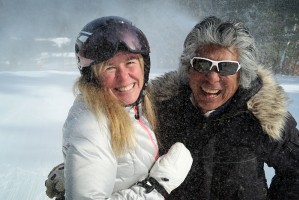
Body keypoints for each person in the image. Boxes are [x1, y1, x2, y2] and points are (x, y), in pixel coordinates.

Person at [151, 16, 299, 199]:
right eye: (202, 64)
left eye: (227, 67)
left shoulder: (261, 116)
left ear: (241, 75)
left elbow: (296, 170)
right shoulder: (161, 110)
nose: (212, 78)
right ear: (188, 69)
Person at [45, 16, 192, 200]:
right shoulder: (91, 125)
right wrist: (157, 186)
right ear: (93, 77)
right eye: (110, 67)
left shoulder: (132, 106)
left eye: (130, 62)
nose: (124, 78)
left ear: (143, 67)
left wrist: (81, 169)